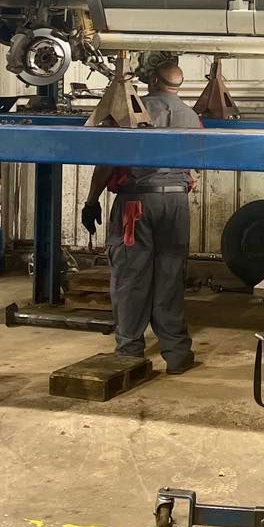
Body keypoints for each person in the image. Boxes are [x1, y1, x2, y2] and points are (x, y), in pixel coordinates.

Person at [81, 62, 202, 374]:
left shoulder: (133, 110)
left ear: (152, 80)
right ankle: (177, 354)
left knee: (131, 276)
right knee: (170, 276)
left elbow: (107, 159)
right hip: (176, 203)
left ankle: (130, 352)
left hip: (136, 203)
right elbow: (198, 162)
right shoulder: (191, 116)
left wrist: (92, 201)